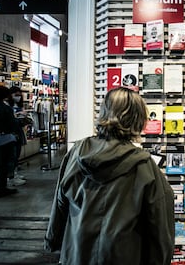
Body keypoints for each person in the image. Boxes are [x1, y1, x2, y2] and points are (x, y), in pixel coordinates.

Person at [44, 87, 175, 265]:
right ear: (138, 119)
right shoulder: (144, 166)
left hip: (77, 253)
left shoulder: (76, 153)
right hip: (123, 255)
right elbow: (159, 225)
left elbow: (60, 203)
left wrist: (52, 240)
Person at [0, 83, 18, 197]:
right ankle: (2, 188)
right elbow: (12, 124)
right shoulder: (6, 108)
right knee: (3, 165)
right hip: (4, 139)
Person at [7, 86, 28, 186]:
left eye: (19, 95)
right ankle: (11, 177)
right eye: (16, 95)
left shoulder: (19, 105)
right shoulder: (7, 106)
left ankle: (15, 174)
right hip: (11, 133)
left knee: (17, 154)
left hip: (19, 131)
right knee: (12, 155)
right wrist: (18, 114)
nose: (18, 97)